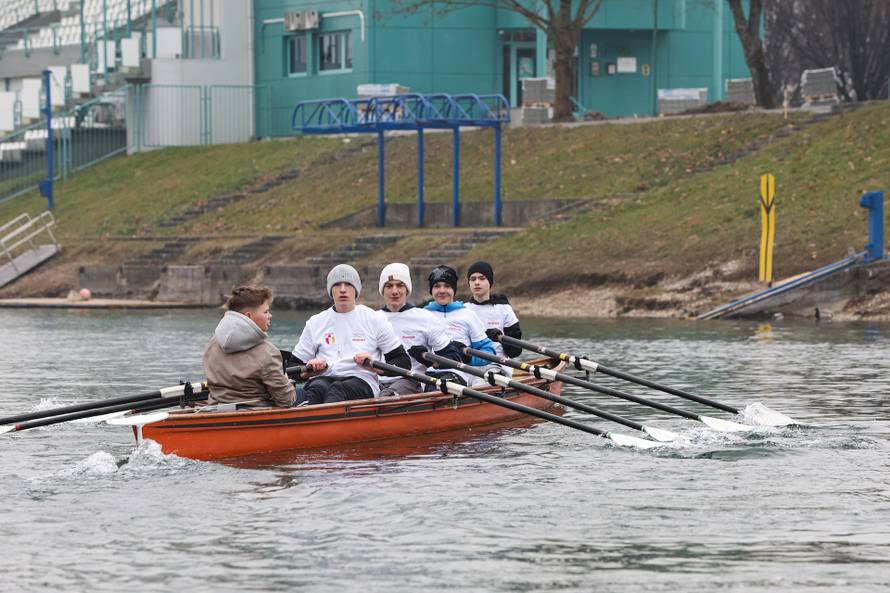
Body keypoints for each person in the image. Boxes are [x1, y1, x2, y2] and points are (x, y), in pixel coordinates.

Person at [291, 264, 411, 404]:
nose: (343, 290)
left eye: (348, 284)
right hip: (322, 378)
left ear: (356, 289)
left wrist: (374, 366)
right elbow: (293, 368)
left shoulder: (374, 319)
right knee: (316, 389)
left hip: (361, 381)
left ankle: (329, 423)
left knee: (337, 389)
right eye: (337, 285)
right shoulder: (316, 322)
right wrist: (309, 372)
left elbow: (403, 362)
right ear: (331, 290)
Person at [203, 285, 296, 408]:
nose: (270, 316)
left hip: (216, 411)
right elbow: (286, 400)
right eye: (266, 312)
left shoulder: (212, 344)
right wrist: (286, 380)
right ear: (249, 316)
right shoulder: (268, 352)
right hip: (257, 415)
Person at [378, 262, 463, 395]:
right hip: (375, 381)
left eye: (400, 285)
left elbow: (453, 357)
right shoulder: (372, 318)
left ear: (407, 289)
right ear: (383, 290)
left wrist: (429, 360)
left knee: (385, 396)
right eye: (389, 286)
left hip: (410, 380)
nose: (395, 291)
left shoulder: (425, 318)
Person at [424, 265, 497, 386]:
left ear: (454, 290)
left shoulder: (467, 315)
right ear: (431, 290)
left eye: (447, 286)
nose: (442, 291)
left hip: (459, 374)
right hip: (427, 376)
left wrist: (467, 358)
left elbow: (489, 353)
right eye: (437, 286)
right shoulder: (422, 315)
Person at [464, 260, 523, 372]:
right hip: (469, 367)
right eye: (473, 279)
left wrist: (501, 338)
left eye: (482, 278)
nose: (477, 282)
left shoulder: (504, 309)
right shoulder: (463, 310)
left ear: (489, 282)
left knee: (480, 383)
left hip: (498, 365)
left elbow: (515, 352)